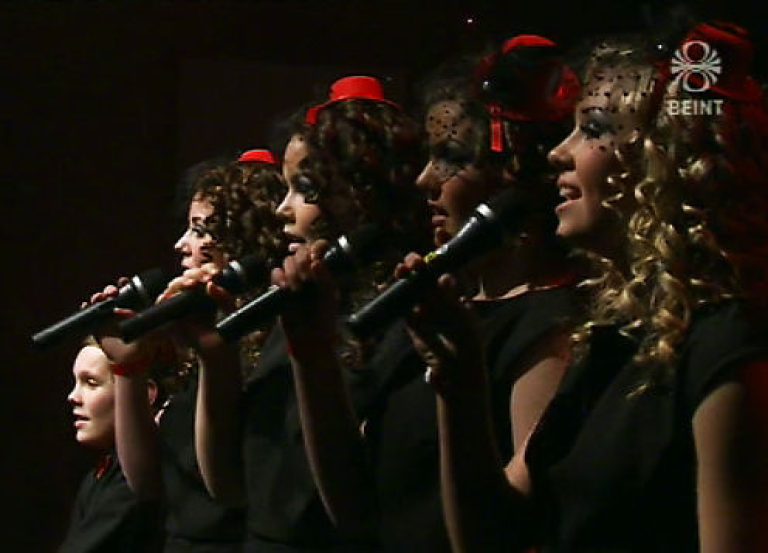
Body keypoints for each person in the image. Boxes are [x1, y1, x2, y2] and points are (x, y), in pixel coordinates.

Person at [409, 22, 768, 551]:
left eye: (593, 129)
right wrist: (459, 385)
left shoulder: (727, 348)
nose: (559, 152)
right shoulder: (611, 339)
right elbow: (491, 537)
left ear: (666, 156)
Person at [274, 37, 584, 551]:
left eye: (451, 158)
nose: (424, 180)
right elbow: (354, 508)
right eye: (427, 158)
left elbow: (504, 536)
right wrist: (312, 356)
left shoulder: (552, 328)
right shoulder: (435, 312)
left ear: (513, 174)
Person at [171, 76, 429, 551]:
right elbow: (229, 488)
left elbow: (357, 512)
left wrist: (314, 355)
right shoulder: (293, 314)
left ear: (360, 194)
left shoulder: (400, 324)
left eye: (304, 189)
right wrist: (214, 354)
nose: (282, 211)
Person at [92, 151, 286, 552]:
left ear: (241, 242)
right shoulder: (193, 349)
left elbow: (228, 488)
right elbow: (148, 484)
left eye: (199, 230)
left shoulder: (269, 346)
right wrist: (128, 367)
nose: (181, 245)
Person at [60, 338, 165, 553]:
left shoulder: (135, 478)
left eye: (91, 383)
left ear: (143, 393)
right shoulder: (101, 473)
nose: (73, 396)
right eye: (76, 382)